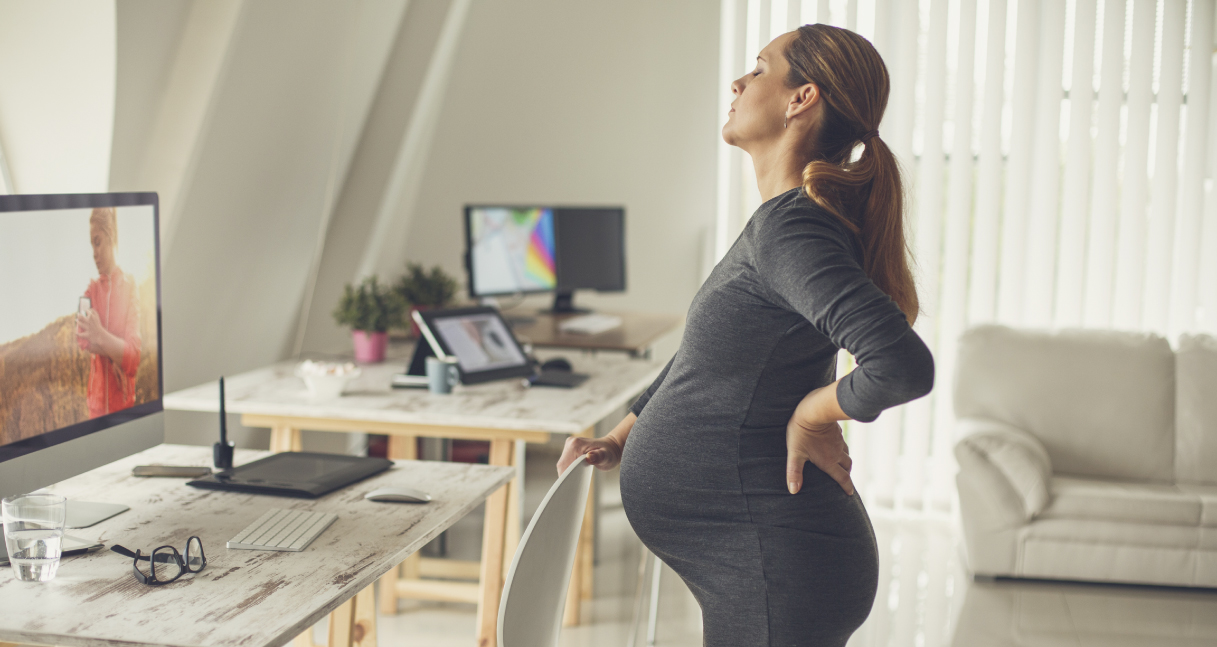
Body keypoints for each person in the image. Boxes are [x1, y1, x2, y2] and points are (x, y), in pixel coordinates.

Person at [557, 24, 934, 646]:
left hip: (773, 565)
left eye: (759, 68)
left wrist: (814, 414)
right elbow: (708, 361)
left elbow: (900, 364)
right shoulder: (784, 223)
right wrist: (623, 437)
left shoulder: (793, 229)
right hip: (765, 562)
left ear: (800, 98)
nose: (737, 81)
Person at [76, 207, 141, 418]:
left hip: (123, 405)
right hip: (95, 409)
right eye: (91, 245)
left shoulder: (131, 287)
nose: (94, 253)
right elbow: (82, 339)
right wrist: (116, 354)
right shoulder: (89, 291)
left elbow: (133, 357)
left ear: (110, 235)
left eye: (97, 242)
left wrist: (100, 335)